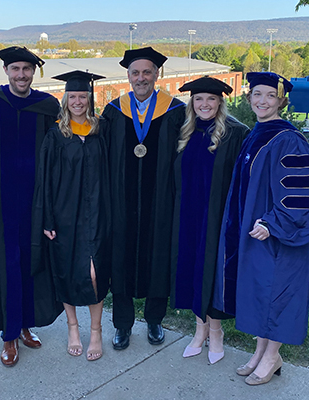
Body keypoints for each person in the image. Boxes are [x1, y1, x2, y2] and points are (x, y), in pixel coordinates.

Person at [0, 46, 63, 367]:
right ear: (6, 70)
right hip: (2, 202)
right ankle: (9, 335)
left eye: (27, 69)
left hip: (36, 201)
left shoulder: (47, 106)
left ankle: (24, 325)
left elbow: (62, 149)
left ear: (35, 72)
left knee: (32, 260)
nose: (21, 74)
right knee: (8, 263)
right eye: (15, 68)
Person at [213, 72, 309, 385]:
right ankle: (260, 352)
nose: (262, 101)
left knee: (276, 294)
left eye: (270, 95)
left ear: (282, 100)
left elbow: (298, 192)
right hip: (253, 232)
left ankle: (272, 355)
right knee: (260, 292)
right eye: (256, 94)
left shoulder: (289, 138)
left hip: (277, 235)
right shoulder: (258, 132)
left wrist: (273, 222)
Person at [101, 47, 186, 350]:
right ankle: (122, 325)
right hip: (121, 202)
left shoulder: (175, 111)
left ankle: (154, 319)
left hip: (160, 202)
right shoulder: (113, 111)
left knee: (157, 257)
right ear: (128, 76)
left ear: (157, 75)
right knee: (120, 259)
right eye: (135, 73)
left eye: (147, 72)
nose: (141, 78)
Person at [169, 76, 249, 364]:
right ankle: (198, 330)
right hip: (187, 213)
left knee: (212, 271)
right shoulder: (185, 130)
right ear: (192, 102)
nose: (205, 104)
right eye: (199, 99)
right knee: (191, 267)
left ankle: (216, 332)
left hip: (217, 216)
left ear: (220, 102)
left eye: (211, 99)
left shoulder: (236, 133)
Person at [32, 70, 110, 361]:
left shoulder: (101, 130)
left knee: (94, 274)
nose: (78, 101)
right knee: (66, 272)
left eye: (83, 96)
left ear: (90, 99)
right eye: (73, 96)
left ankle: (96, 331)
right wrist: (47, 220)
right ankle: (73, 328)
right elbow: (45, 181)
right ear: (65, 99)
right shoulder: (56, 135)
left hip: (98, 213)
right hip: (64, 216)